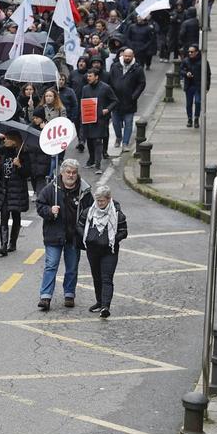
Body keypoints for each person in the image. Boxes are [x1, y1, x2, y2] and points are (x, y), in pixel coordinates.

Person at [35, 160, 93, 311]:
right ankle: (45, 296)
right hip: (54, 235)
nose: (71, 175)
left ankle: (69, 294)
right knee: (51, 265)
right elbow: (40, 206)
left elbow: (91, 211)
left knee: (72, 267)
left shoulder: (84, 191)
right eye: (68, 172)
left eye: (74, 172)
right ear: (62, 173)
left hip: (73, 237)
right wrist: (49, 211)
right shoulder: (51, 190)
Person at [78, 185, 128, 319]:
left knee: (107, 278)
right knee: (96, 277)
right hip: (93, 250)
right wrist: (88, 238)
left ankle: (105, 306)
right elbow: (80, 226)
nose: (100, 203)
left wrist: (110, 239)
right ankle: (99, 302)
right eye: (98, 200)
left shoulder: (117, 214)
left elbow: (124, 232)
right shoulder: (88, 212)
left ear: (109, 199)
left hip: (109, 251)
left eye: (102, 201)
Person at [0, 132, 29, 256]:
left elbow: (27, 173)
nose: (5, 140)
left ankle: (12, 243)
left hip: (17, 189)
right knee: (4, 215)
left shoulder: (22, 153)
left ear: (14, 141)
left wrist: (19, 166)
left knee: (16, 215)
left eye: (7, 138)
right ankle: (3, 244)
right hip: (4, 188)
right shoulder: (1, 151)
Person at [107, 48, 146, 153]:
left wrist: (134, 96)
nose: (127, 58)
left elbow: (142, 83)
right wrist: (110, 96)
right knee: (115, 122)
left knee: (128, 123)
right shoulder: (115, 66)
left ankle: (125, 143)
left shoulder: (137, 68)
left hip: (129, 102)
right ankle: (118, 137)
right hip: (116, 101)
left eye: (129, 56)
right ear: (122, 56)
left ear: (133, 56)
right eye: (125, 56)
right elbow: (109, 81)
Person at [79, 69, 117, 172]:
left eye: (90, 76)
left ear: (96, 77)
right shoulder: (85, 88)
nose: (88, 78)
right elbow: (83, 102)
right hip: (89, 119)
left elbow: (114, 101)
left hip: (100, 119)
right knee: (90, 141)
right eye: (87, 76)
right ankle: (91, 160)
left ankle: (98, 165)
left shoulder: (105, 88)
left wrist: (107, 109)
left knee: (98, 141)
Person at [179, 44, 210, 128]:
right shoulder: (186, 61)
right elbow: (181, 70)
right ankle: (189, 118)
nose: (190, 53)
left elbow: (208, 75)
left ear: (196, 52)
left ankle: (196, 118)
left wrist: (207, 87)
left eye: (192, 52)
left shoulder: (203, 61)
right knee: (189, 104)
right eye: (189, 51)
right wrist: (186, 73)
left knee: (198, 102)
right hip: (189, 86)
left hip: (198, 86)